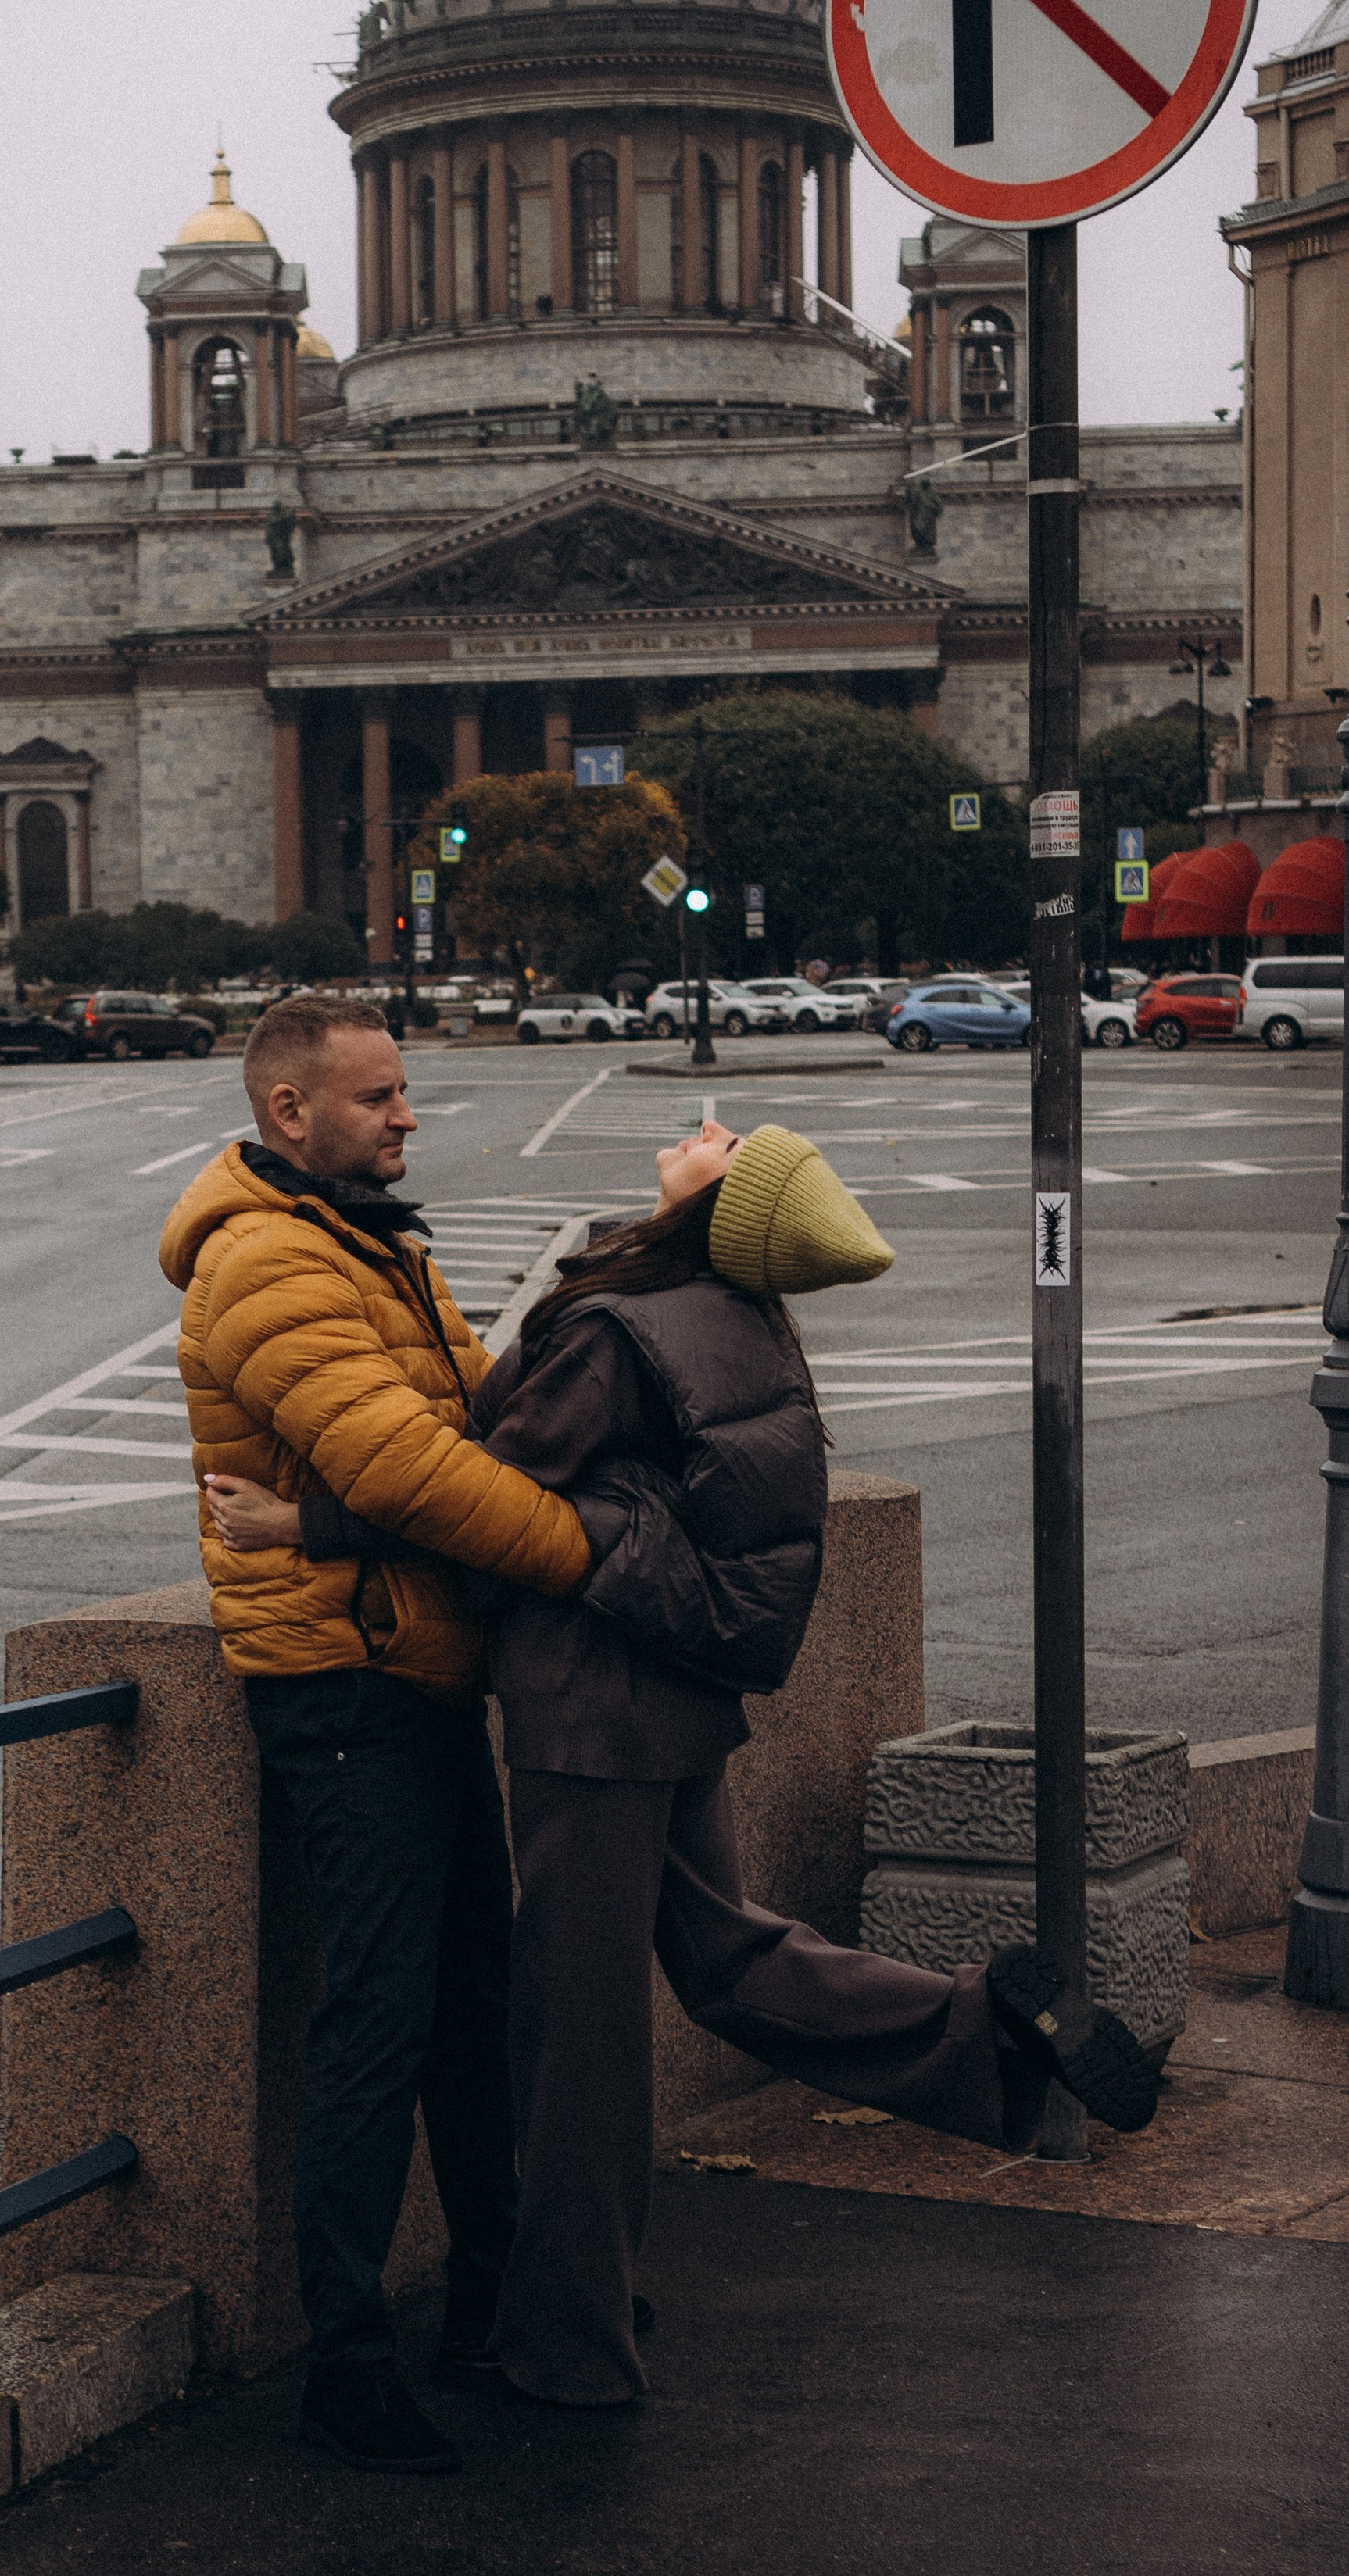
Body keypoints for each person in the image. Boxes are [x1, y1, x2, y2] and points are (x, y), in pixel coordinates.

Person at [208, 1119, 1158, 2410]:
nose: (706, 1131)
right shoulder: (741, 1314)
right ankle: (980, 2028)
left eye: (729, 1147)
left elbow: (472, 1488)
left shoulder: (620, 1328)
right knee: (727, 1959)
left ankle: (567, 2346)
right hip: (679, 1691)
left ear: (726, 1210)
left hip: (588, 1709)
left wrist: (303, 1521)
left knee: (577, 2039)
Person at [160, 992, 590, 2476]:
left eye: (403, 1093)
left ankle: (488, 2294)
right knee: (382, 2015)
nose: (408, 1117)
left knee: (471, 1993)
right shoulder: (268, 1259)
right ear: (291, 1112)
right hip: (341, 1684)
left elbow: (470, 1419)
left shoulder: (364, 1240)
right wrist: (587, 1558)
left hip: (410, 1661)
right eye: (378, 1097)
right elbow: (412, 1462)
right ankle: (344, 2360)